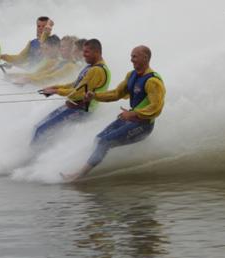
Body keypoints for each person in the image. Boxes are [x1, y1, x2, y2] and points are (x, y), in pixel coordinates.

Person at [62, 45, 165, 181]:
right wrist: (95, 96)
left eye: (134, 56)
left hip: (143, 125)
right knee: (99, 139)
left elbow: (157, 107)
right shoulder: (131, 75)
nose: (131, 59)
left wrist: (133, 114)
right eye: (131, 56)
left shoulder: (153, 81)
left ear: (145, 58)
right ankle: (86, 166)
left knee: (105, 142)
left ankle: (79, 175)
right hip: (129, 119)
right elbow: (116, 94)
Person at [30, 38, 110, 146]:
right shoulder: (91, 67)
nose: (84, 55)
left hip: (81, 110)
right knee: (38, 127)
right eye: (83, 51)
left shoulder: (97, 70)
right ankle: (31, 152)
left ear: (96, 52)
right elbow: (75, 84)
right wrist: (55, 87)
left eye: (86, 52)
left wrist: (56, 91)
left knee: (41, 130)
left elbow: (79, 93)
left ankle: (33, 154)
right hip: (72, 106)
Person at [10, 35, 79, 86]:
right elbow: (42, 74)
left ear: (72, 49)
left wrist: (29, 80)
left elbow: (51, 78)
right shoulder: (62, 63)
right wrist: (19, 76)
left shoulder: (71, 66)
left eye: (63, 46)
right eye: (60, 46)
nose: (60, 49)